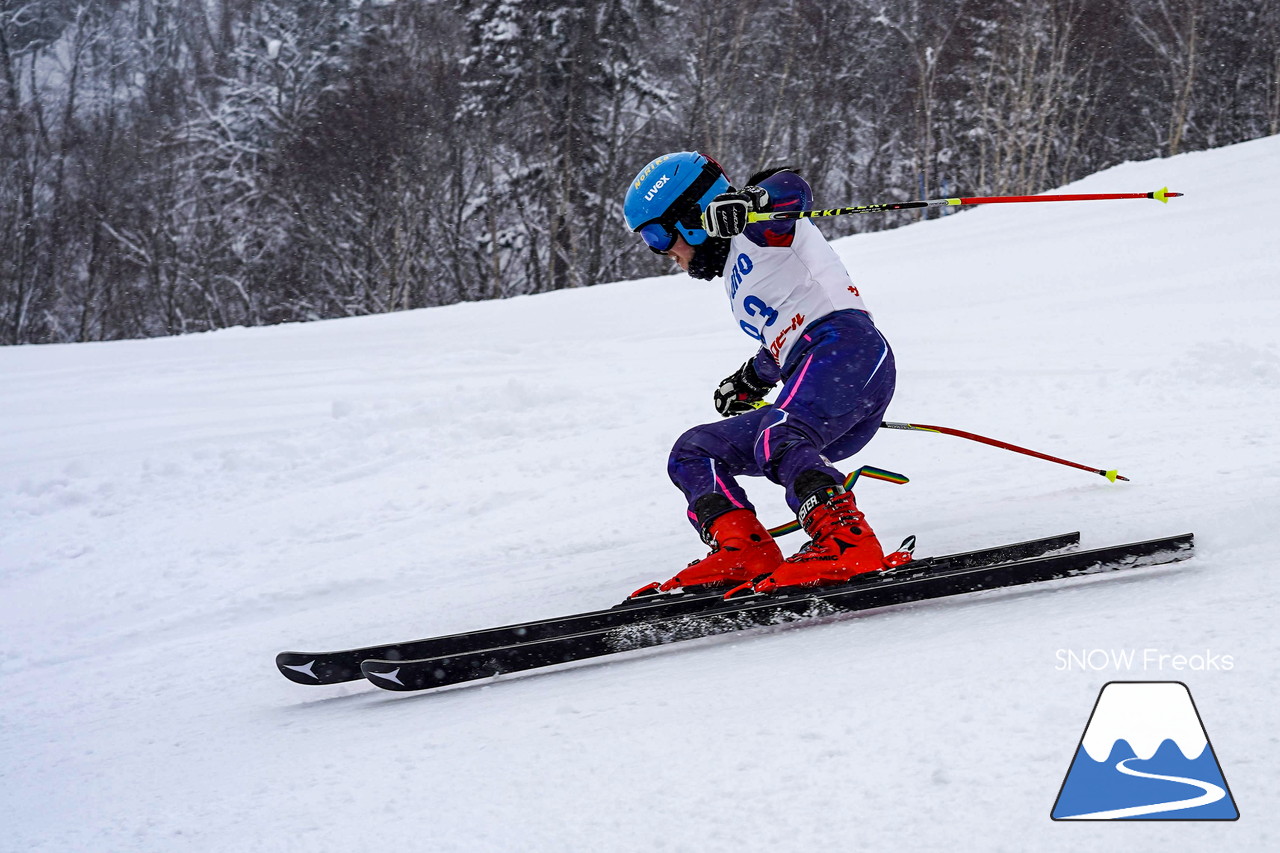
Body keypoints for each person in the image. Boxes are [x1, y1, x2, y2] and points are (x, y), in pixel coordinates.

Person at [623, 151, 898, 594]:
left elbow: (791, 189)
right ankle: (743, 551)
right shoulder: (736, 270)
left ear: (690, 217)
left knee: (777, 432)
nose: (664, 252)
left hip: (849, 352)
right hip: (812, 371)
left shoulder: (759, 226)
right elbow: (783, 336)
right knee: (694, 450)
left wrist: (751, 200)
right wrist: (751, 379)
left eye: (658, 235)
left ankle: (846, 542)